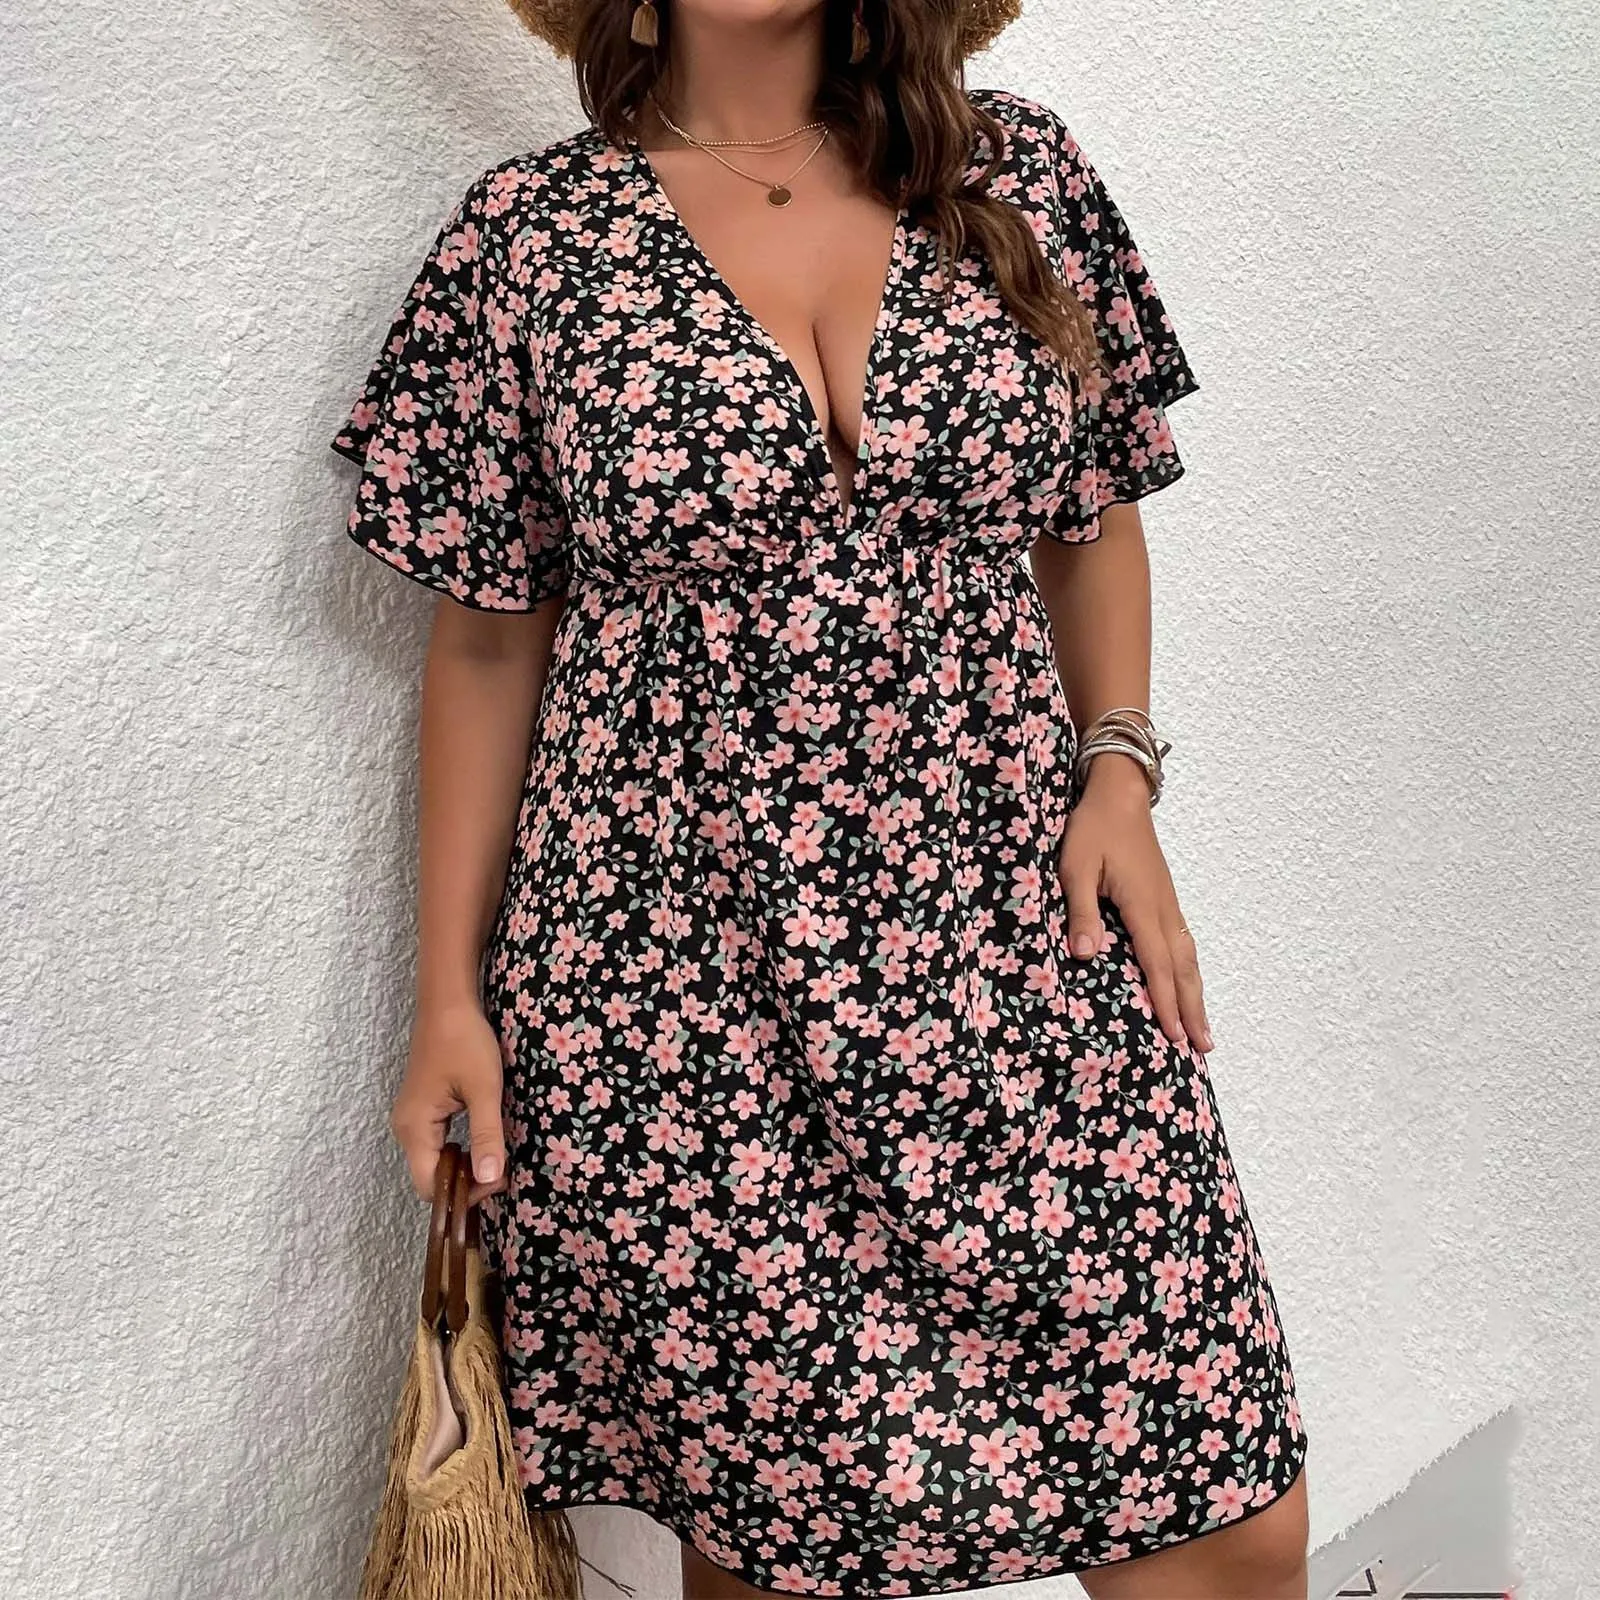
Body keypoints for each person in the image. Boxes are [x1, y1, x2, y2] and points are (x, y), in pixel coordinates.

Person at [329, 1, 1312, 1595]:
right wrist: (448, 996)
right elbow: (490, 636)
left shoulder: (1018, 173)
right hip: (679, 995)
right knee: (786, 1545)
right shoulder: (527, 239)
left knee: (1227, 1511)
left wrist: (1119, 771)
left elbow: (1093, 513)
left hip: (1010, 943)